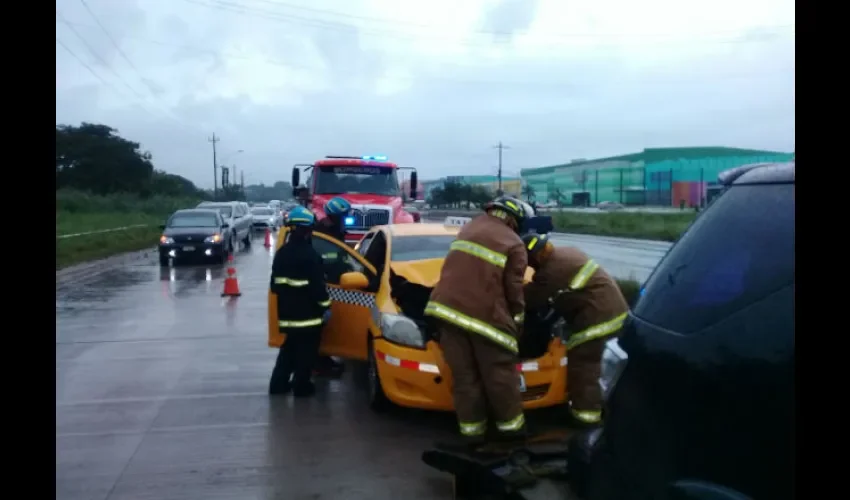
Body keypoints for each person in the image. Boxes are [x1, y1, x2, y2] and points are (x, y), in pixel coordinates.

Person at [425, 196, 533, 446]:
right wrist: (517, 321)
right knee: (500, 378)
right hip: (485, 318)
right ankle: (512, 433)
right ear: (514, 219)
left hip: (445, 311)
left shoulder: (468, 228)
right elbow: (514, 289)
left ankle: (472, 435)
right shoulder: (514, 243)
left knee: (465, 378)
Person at [520, 232, 629, 428]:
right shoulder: (567, 253)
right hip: (614, 312)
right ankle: (603, 406)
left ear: (536, 256)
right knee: (605, 367)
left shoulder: (551, 271)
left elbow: (530, 299)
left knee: (584, 365)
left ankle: (586, 419)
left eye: (528, 261)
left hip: (598, 320)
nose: (529, 266)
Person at [268, 205, 332, 398]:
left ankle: (278, 385)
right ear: (306, 230)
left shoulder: (282, 253)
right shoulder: (310, 256)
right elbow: (317, 288)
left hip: (287, 314)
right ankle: (301, 387)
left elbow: (275, 285)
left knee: (288, 351)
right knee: (306, 353)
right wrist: (326, 306)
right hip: (308, 317)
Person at [312, 196, 352, 377]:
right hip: (325, 283)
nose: (347, 219)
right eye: (344, 216)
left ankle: (324, 358)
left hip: (335, 284)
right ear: (334, 217)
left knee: (327, 327)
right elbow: (330, 259)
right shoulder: (324, 234)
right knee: (319, 328)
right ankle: (318, 363)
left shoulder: (336, 231)